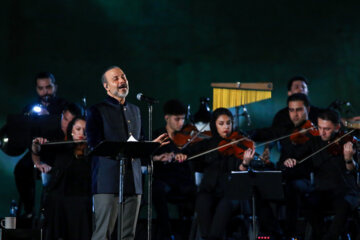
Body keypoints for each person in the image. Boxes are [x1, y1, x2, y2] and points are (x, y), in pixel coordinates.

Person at [86, 66, 170, 240]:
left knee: (128, 235)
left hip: (133, 180)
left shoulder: (135, 110)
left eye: (123, 77)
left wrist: (151, 146)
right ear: (106, 86)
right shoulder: (96, 110)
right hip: (107, 181)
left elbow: (139, 140)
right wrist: (125, 149)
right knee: (103, 234)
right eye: (115, 79)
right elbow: (94, 145)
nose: (122, 81)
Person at [175, 108, 256, 240]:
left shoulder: (239, 142)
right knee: (202, 202)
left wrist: (245, 163)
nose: (226, 127)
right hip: (208, 190)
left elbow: (242, 171)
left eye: (228, 123)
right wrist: (182, 155)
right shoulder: (208, 144)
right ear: (214, 125)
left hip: (231, 193)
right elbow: (189, 153)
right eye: (221, 123)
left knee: (219, 223)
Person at [284, 108, 359, 240]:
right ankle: (324, 235)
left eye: (327, 129)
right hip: (323, 191)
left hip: (346, 191)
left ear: (337, 127)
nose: (322, 133)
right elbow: (297, 156)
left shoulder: (347, 142)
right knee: (307, 204)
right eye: (319, 127)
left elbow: (352, 170)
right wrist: (291, 160)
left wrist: (348, 158)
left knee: (344, 205)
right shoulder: (314, 142)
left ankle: (330, 237)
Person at [31, 116, 92, 240]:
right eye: (78, 129)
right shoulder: (62, 148)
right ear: (72, 131)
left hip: (82, 199)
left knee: (81, 205)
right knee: (53, 200)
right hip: (59, 199)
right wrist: (36, 144)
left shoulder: (92, 152)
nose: (82, 133)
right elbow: (37, 152)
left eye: (86, 130)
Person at [152, 99, 197, 240]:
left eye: (183, 119)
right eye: (177, 119)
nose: (181, 123)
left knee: (197, 193)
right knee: (157, 188)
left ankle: (189, 234)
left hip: (183, 181)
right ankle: (166, 233)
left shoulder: (188, 137)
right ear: (167, 118)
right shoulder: (157, 136)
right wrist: (160, 158)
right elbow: (148, 157)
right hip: (164, 180)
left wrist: (186, 155)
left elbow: (196, 154)